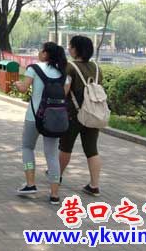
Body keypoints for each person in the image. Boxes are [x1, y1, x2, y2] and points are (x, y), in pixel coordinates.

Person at [14, 42, 70, 205]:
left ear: (46, 54)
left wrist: (17, 84)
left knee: (27, 147)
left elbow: (24, 89)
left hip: (34, 117)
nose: (39, 52)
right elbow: (63, 95)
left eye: (41, 50)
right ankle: (54, 194)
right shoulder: (63, 73)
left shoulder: (34, 68)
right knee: (52, 154)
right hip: (54, 119)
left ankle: (30, 184)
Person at [59, 35, 103, 197]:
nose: (69, 49)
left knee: (65, 147)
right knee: (92, 150)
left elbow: (64, 91)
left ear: (76, 49)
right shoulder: (96, 67)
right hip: (93, 114)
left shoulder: (69, 67)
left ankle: (57, 175)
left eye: (70, 46)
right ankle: (94, 185)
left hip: (73, 115)